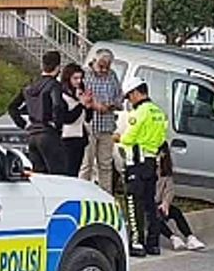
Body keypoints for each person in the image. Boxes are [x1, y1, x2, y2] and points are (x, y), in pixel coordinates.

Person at [115, 76, 168, 256]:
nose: (129, 101)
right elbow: (161, 140)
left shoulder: (139, 113)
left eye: (129, 96)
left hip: (136, 163)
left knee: (133, 203)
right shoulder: (159, 112)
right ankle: (153, 244)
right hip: (151, 162)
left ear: (137, 92)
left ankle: (137, 243)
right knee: (150, 205)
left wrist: (117, 137)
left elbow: (128, 138)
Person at [8, 51, 68, 174]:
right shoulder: (53, 85)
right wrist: (58, 125)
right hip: (47, 133)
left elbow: (12, 107)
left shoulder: (29, 86)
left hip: (32, 135)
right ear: (58, 68)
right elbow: (57, 105)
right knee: (58, 175)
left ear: (43, 66)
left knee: (39, 174)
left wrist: (23, 124)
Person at [80, 50, 123, 190]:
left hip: (107, 126)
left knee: (105, 165)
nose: (104, 69)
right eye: (101, 65)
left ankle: (106, 196)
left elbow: (119, 96)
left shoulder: (112, 76)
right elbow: (78, 96)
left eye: (107, 66)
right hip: (89, 126)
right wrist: (93, 104)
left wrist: (112, 104)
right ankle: (82, 195)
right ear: (95, 61)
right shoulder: (85, 74)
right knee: (86, 165)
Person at [156, 145, 206, 251]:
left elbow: (170, 189)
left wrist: (166, 203)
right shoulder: (148, 170)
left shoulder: (165, 171)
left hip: (161, 203)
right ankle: (173, 238)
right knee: (154, 217)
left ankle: (190, 237)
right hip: (149, 204)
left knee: (176, 212)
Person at [60, 63, 94, 178]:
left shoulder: (80, 92)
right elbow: (67, 118)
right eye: (75, 78)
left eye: (80, 78)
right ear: (67, 78)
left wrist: (88, 107)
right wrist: (81, 104)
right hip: (67, 137)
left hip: (80, 137)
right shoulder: (61, 95)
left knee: (76, 171)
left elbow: (87, 118)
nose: (78, 81)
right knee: (68, 171)